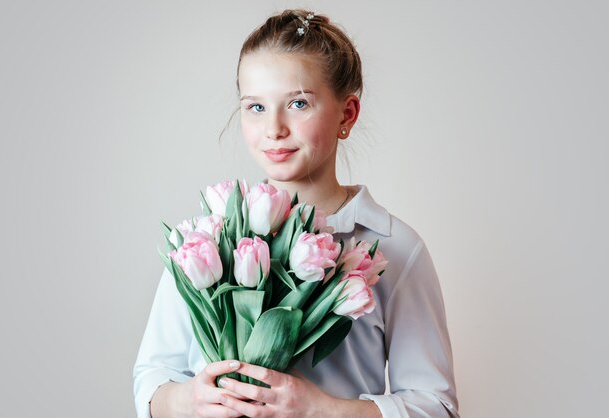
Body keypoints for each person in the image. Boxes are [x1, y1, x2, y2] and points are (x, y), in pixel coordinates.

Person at [134, 9, 459, 418]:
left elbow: (438, 407)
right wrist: (188, 399)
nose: (274, 128)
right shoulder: (207, 240)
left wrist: (321, 410)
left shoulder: (393, 248)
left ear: (347, 114)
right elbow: (152, 377)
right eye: (255, 107)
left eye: (298, 103)